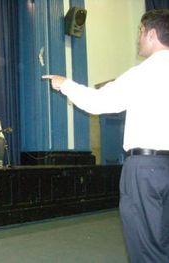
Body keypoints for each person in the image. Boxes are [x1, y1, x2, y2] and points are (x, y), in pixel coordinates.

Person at [43, 9, 169, 263]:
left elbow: (99, 102)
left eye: (140, 32)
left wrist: (64, 83)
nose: (138, 39)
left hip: (146, 169)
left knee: (147, 247)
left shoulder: (144, 72)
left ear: (152, 34)